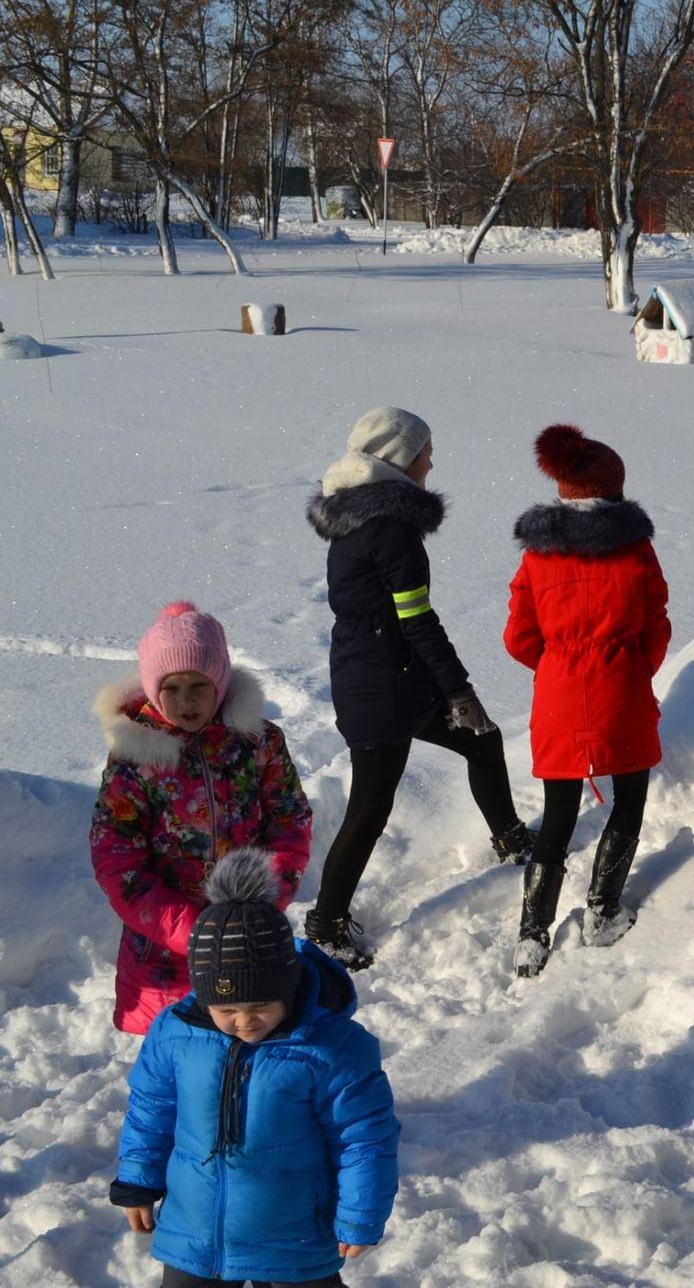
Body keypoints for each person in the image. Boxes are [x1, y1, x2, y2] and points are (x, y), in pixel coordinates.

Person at [305, 406, 532, 971]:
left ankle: (511, 840)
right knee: (371, 806)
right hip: (381, 689)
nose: (432, 460)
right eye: (425, 450)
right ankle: (324, 924)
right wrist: (459, 689)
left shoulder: (361, 520)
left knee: (481, 741)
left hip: (389, 677)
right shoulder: (389, 529)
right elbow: (417, 619)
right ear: (400, 458)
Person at [110, 847, 400, 1287]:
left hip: (293, 1238)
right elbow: (152, 1109)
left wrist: (360, 1213)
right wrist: (138, 1180)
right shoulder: (176, 1034)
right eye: (225, 1008)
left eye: (261, 1005)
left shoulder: (333, 1049)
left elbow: (363, 1137)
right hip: (195, 1233)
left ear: (288, 987)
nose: (244, 1020)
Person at [89, 602, 314, 1035]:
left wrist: (268, 898)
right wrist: (186, 928)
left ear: (222, 682)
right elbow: (115, 853)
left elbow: (289, 818)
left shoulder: (258, 742)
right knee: (177, 1051)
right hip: (164, 947)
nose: (186, 700)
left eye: (199, 684)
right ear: (154, 689)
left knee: (249, 1037)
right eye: (171, 687)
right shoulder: (135, 756)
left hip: (248, 933)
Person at [504, 424, 671, 978]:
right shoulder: (636, 551)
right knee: (628, 800)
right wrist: (629, 668)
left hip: (556, 696)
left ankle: (532, 934)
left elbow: (517, 638)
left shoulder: (537, 558)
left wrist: (556, 668)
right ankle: (602, 910)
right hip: (621, 688)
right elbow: (656, 625)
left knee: (556, 817)